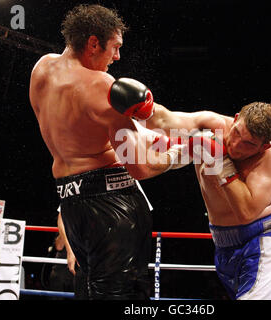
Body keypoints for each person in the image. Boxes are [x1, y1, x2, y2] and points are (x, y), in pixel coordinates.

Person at [29, 4, 184, 299]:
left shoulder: (42, 69)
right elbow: (140, 167)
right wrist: (178, 154)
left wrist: (144, 133)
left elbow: (81, 129)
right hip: (112, 206)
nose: (117, 57)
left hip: (71, 201)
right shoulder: (102, 85)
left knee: (89, 291)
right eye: (115, 47)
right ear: (93, 43)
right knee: (121, 296)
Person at [110, 83, 271, 300]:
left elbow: (246, 212)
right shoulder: (212, 125)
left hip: (262, 239)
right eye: (236, 132)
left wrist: (221, 160)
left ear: (264, 147)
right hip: (223, 244)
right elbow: (162, 121)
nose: (236, 144)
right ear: (236, 119)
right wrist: (143, 107)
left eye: (248, 144)